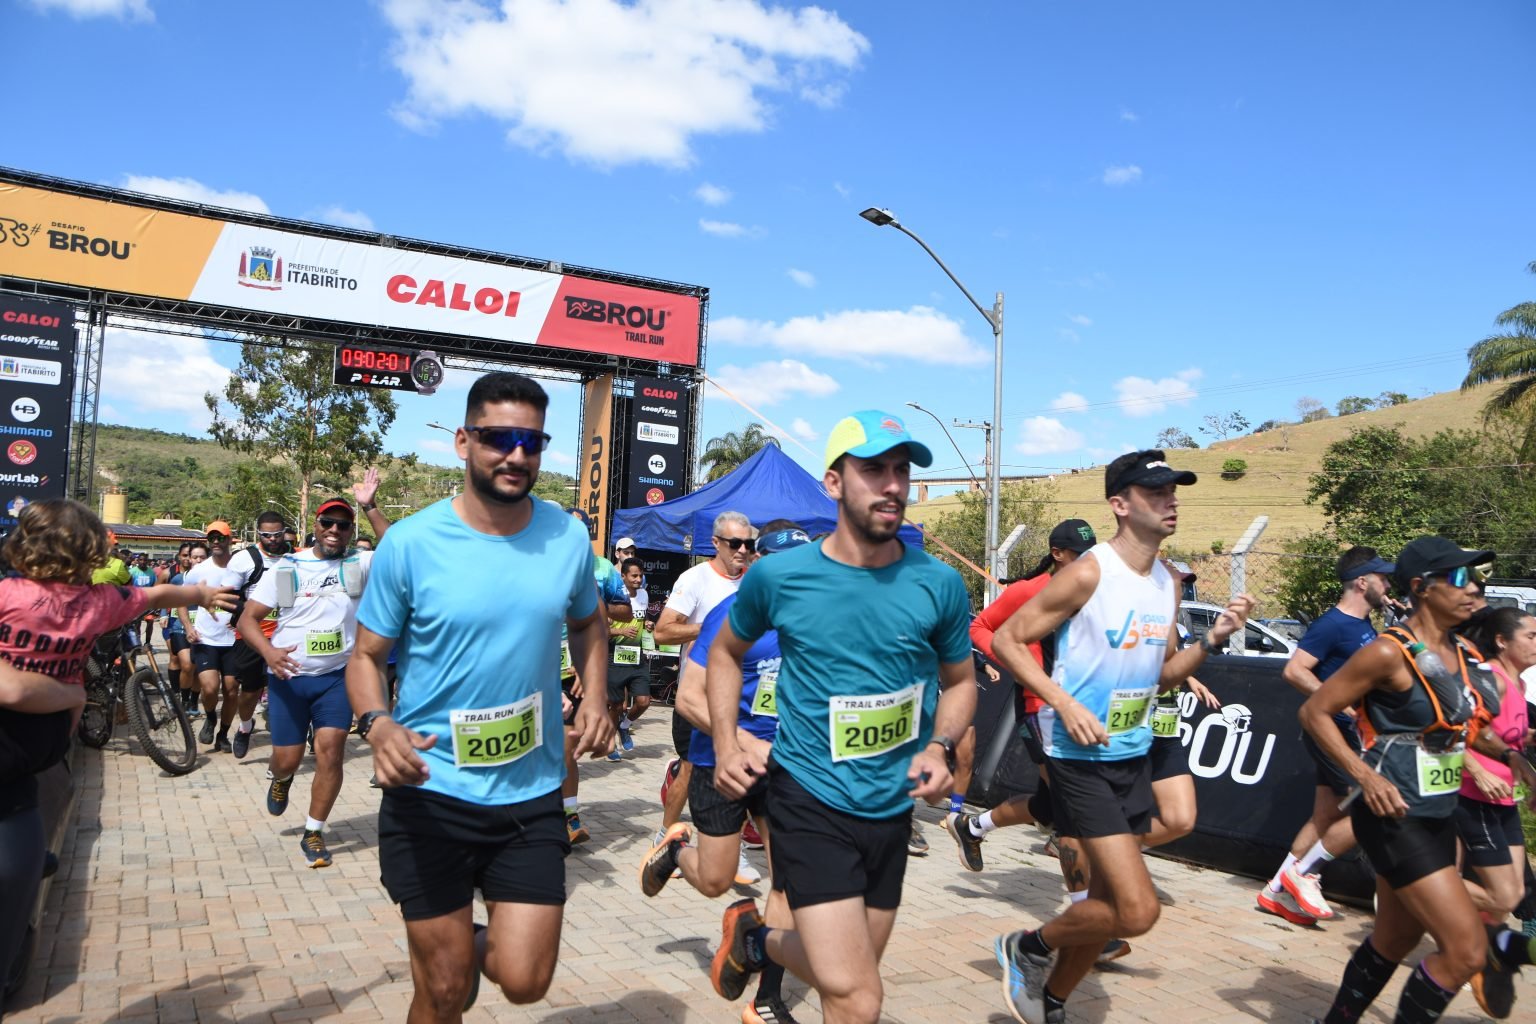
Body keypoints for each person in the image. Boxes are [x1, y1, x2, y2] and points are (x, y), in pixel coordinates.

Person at [346, 371, 613, 1020]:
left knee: (526, 981)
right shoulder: (410, 543)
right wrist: (378, 723)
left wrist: (596, 697)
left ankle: (459, 952)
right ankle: (449, 963)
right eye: (498, 438)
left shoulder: (566, 537)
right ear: (463, 441)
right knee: (442, 992)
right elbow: (366, 658)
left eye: (532, 441)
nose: (516, 455)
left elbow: (588, 622)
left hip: (529, 795)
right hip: (430, 792)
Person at [704, 410, 977, 1024]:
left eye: (901, 470)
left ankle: (755, 939)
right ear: (833, 482)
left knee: (849, 985)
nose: (893, 485)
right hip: (809, 798)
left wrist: (938, 746)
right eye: (874, 469)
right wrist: (726, 743)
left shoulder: (938, 583)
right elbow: (723, 654)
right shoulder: (781, 575)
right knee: (860, 995)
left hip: (892, 808)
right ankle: (760, 941)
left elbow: (960, 683)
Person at [989, 448, 1254, 1024]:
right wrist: (1063, 702)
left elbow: (1162, 676)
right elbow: (1008, 639)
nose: (1170, 501)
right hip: (1077, 756)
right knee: (1136, 912)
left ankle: (1051, 1000)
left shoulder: (1166, 583)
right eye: (1156, 492)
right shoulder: (1090, 571)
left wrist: (1212, 641)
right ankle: (1027, 946)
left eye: (1173, 491)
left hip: (1132, 752)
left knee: (1106, 905)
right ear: (1120, 504)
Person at [0, 500, 235, 989]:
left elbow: (157, 594)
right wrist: (201, 594)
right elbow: (158, 595)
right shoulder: (88, 601)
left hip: (26, 764)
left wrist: (198, 592)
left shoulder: (39, 596)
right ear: (87, 551)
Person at [1303, 536, 1536, 1024]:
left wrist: (1511, 756)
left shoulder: (1462, 652)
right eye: (1459, 577)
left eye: (1476, 578)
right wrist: (1365, 776)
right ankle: (1502, 945)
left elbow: (1464, 729)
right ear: (1421, 587)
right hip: (1392, 817)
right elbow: (1315, 711)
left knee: (1395, 939)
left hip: (1437, 815)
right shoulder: (1388, 653)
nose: (1473, 588)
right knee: (1465, 952)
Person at [641, 520, 809, 1024]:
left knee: (791, 880)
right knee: (715, 880)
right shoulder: (731, 616)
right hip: (721, 761)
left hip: (785, 766)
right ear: (757, 564)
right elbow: (689, 700)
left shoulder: (817, 620)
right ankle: (676, 849)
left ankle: (767, 1000)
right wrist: (741, 740)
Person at [945, 519, 1098, 873]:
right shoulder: (1030, 591)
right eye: (1080, 555)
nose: (1090, 561)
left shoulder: (1097, 592)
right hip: (1038, 705)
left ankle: (972, 827)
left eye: (1092, 554)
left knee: (1047, 805)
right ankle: (1089, 898)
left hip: (1079, 705)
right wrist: (1017, 660)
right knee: (1073, 799)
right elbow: (980, 626)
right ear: (1057, 554)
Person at [1258, 546, 1396, 925]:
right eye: (1383, 578)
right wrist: (1339, 703)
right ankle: (1304, 874)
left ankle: (1275, 890)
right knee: (1370, 808)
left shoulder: (1365, 625)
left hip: (1350, 733)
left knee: (1325, 816)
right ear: (1362, 582)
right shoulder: (1332, 625)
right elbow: (1295, 670)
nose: (1388, 585)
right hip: (1333, 731)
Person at [239, 498, 372, 868]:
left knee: (331, 750)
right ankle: (281, 778)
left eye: (343, 525)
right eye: (328, 522)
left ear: (351, 531)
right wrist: (268, 652)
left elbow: (398, 549)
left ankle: (314, 831)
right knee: (288, 759)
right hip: (289, 679)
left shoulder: (360, 563)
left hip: (337, 678)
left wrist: (372, 506)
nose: (334, 530)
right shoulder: (287, 568)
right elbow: (247, 620)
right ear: (315, 525)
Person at [652, 510, 754, 858]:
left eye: (748, 544)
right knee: (693, 769)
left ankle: (735, 844)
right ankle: (665, 835)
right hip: (698, 695)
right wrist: (711, 627)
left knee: (743, 764)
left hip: (741, 697)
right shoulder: (695, 579)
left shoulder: (755, 582)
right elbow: (662, 632)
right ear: (716, 543)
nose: (742, 550)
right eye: (735, 543)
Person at [1454, 605, 1535, 1017]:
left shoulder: (1518, 683)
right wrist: (1478, 771)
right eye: (1531, 636)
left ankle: (1485, 953)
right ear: (1502, 641)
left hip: (1505, 801)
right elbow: (1454, 731)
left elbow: (1510, 742)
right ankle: (1416, 885)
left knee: (1511, 896)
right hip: (1474, 797)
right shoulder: (1492, 680)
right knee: (1502, 894)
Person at [226, 510, 292, 760]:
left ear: (284, 532)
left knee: (290, 687)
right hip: (253, 636)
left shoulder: (296, 558)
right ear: (258, 534)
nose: (272, 539)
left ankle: (299, 733)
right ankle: (245, 727)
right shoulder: (244, 559)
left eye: (277, 534)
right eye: (266, 535)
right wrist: (252, 611)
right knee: (250, 691)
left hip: (286, 634)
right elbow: (226, 598)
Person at [179, 521, 248, 752]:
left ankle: (223, 735)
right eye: (212, 538)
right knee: (209, 688)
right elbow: (180, 600)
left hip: (234, 640)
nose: (216, 542)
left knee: (231, 690)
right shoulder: (198, 571)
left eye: (221, 537)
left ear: (230, 539)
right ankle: (210, 718)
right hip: (206, 639)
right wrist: (188, 627)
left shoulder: (241, 568)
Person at [606, 556, 652, 761]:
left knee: (643, 701)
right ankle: (609, 744)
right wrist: (621, 631)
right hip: (614, 657)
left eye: (640, 575)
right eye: (634, 576)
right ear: (622, 576)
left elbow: (642, 618)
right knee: (616, 706)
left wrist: (648, 624)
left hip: (636, 656)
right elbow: (600, 630)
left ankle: (624, 726)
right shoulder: (613, 598)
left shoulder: (644, 594)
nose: (638, 579)